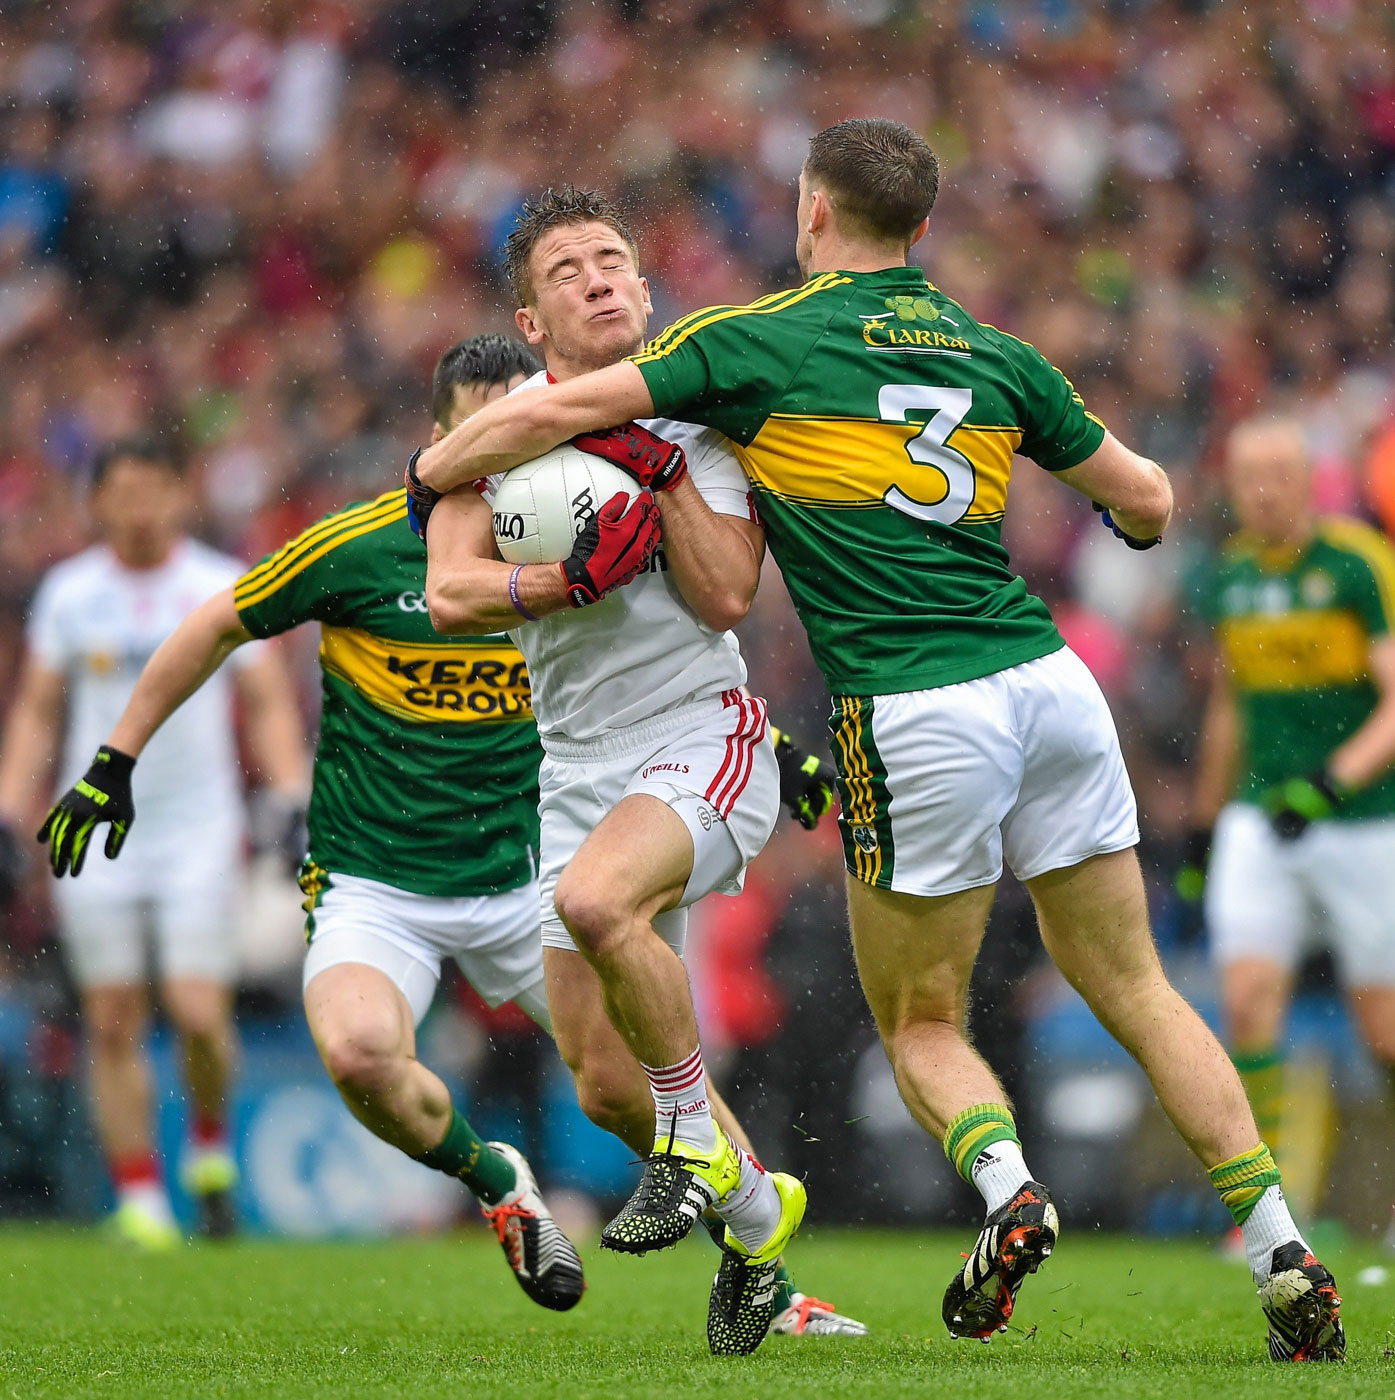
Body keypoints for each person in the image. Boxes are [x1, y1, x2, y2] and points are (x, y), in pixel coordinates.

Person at [408, 122, 1345, 1362]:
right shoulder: (994, 349)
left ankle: (1010, 1191)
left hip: (911, 704)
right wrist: (1118, 525)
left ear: (810, 214)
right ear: (920, 224)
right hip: (1049, 678)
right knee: (1136, 985)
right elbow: (1152, 498)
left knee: (916, 1020)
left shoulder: (751, 343)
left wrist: (429, 466)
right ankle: (1281, 1246)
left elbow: (577, 430)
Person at [41, 334, 857, 1337]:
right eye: (482, 422)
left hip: (525, 868)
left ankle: (765, 1269)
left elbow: (645, 679)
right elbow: (216, 622)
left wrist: (772, 747)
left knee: (628, 1079)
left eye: (527, 415)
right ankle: (498, 1178)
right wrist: (114, 758)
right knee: (356, 1051)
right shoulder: (362, 546)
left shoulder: (581, 529)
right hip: (375, 878)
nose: (510, 441)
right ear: (441, 438)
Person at [416, 188, 847, 1356]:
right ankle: (759, 1224)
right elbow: (449, 591)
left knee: (598, 902)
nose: (600, 277)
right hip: (573, 769)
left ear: (648, 293)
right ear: (533, 316)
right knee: (602, 1079)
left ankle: (696, 1145)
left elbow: (721, 595)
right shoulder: (496, 438)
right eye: (570, 269)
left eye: (616, 260)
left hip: (699, 731)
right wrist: (562, 582)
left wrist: (649, 464)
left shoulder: (704, 426)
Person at [0, 438, 306, 1248]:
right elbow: (37, 710)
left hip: (197, 829)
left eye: (153, 490)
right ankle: (140, 1199)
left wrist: (286, 791)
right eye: (123, 493)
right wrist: (7, 809)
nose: (139, 508)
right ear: (95, 503)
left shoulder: (215, 584)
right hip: (96, 831)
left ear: (180, 495)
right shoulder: (71, 595)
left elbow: (268, 696)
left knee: (201, 1013)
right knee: (110, 1017)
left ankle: (208, 1147)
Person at [1183, 415, 1395, 1248]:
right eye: (1248, 475)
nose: (1263, 489)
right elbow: (1229, 707)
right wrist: (1202, 830)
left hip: (1363, 823)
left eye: (1278, 472)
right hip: (1258, 817)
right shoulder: (1230, 577)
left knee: (1380, 1027)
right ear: (1231, 486)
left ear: (1309, 479)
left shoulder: (1354, 566)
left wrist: (1328, 782)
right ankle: (1263, 1214)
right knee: (1245, 1002)